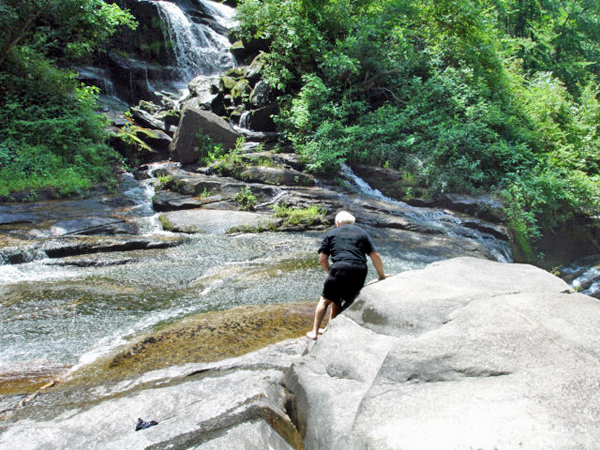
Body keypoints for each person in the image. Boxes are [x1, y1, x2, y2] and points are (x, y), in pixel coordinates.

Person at [306, 211, 390, 340]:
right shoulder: (362, 233)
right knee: (338, 300)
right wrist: (381, 275)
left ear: (338, 223)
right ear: (352, 223)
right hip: (359, 269)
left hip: (340, 267)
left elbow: (322, 258)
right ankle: (329, 329)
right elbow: (375, 255)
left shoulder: (332, 233)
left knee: (325, 300)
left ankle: (314, 332)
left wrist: (329, 272)